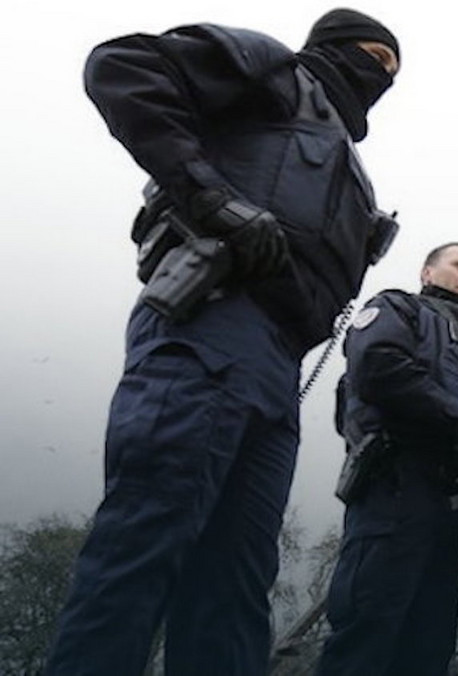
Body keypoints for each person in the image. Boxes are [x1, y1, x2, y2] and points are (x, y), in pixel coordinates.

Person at [45, 9, 401, 675]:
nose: (382, 75)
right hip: (213, 320)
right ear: (331, 47)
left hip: (277, 370)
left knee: (238, 582)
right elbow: (122, 67)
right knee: (148, 536)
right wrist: (210, 198)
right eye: (373, 55)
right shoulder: (278, 74)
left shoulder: (354, 171)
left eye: (393, 70)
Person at [317, 242, 458, 676]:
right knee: (370, 628)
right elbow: (377, 365)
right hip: (396, 489)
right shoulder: (397, 308)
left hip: (446, 509)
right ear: (427, 273)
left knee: (429, 644)